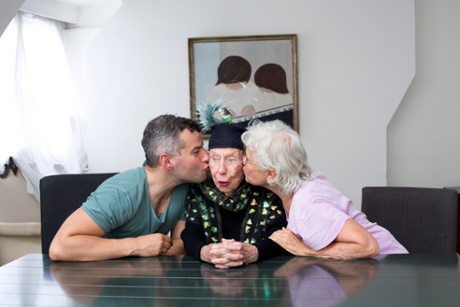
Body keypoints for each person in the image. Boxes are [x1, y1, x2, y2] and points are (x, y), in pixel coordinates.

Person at [49, 114, 210, 261]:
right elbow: (59, 247)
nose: (207, 156)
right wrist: (137, 246)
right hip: (95, 280)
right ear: (167, 161)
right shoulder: (121, 192)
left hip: (142, 279)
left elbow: (179, 244)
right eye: (196, 152)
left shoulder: (184, 187)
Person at [241, 120, 408, 260]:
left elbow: (369, 246)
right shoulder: (301, 180)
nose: (243, 164)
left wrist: (305, 251)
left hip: (390, 268)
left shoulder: (308, 204)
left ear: (271, 174)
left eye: (247, 160)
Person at [181, 123, 288, 269]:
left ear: (245, 162)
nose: (221, 170)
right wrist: (205, 252)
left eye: (231, 160)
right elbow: (190, 235)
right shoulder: (199, 190)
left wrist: (254, 252)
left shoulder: (264, 189)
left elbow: (281, 237)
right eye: (215, 159)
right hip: (210, 278)